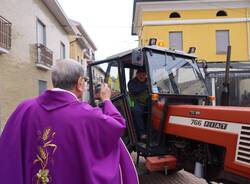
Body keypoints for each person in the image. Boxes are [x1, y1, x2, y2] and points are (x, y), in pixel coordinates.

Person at [0, 59, 138, 184]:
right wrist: (107, 100)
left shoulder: (25, 109)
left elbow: (8, 153)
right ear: (79, 83)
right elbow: (117, 124)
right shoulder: (88, 114)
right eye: (84, 81)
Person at [128, 68, 148, 140]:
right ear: (137, 74)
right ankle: (141, 134)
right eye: (140, 74)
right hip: (134, 102)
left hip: (147, 103)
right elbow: (136, 91)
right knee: (137, 111)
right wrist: (146, 85)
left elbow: (155, 88)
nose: (142, 76)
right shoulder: (131, 82)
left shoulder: (148, 81)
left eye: (144, 75)